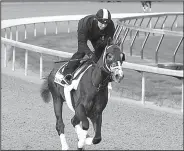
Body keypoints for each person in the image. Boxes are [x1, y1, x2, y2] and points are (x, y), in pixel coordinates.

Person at [62, 8, 115, 85]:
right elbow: (82, 44)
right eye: (101, 23)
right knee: (81, 52)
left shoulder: (110, 26)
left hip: (97, 34)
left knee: (101, 51)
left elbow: (108, 43)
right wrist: (90, 54)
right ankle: (67, 73)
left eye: (106, 24)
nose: (103, 26)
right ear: (97, 20)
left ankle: (102, 75)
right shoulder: (85, 24)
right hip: (86, 30)